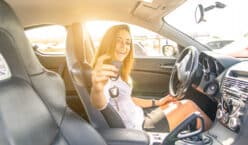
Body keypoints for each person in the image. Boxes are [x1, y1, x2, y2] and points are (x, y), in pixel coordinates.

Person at [90, 24, 212, 132]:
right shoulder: (103, 74)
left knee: (176, 103)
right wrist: (97, 88)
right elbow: (100, 104)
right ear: (109, 42)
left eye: (127, 42)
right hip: (137, 128)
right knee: (189, 106)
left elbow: (128, 99)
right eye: (118, 40)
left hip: (140, 115)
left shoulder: (116, 69)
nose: (124, 46)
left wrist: (157, 102)